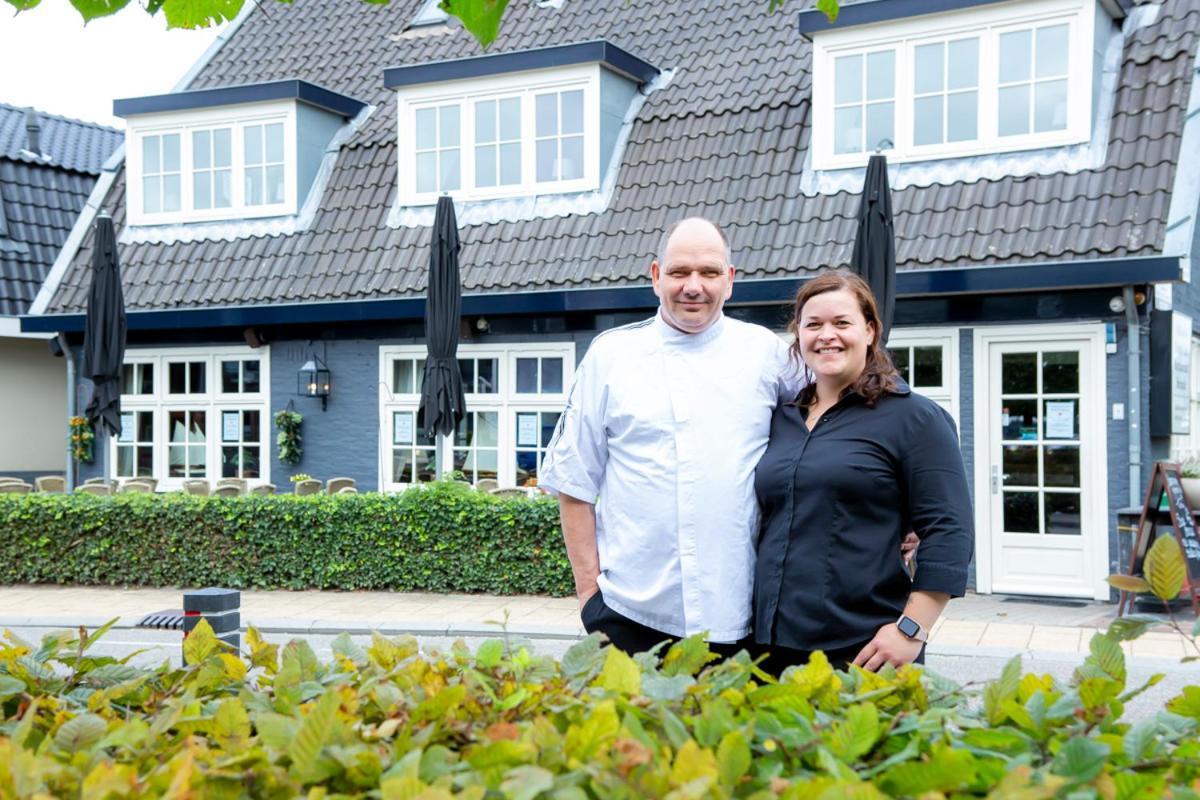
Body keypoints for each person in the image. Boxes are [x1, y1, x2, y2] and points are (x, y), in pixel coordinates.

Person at [539, 217, 800, 655]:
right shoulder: (611, 355)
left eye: (709, 273)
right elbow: (572, 482)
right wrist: (590, 597)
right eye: (679, 272)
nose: (693, 286)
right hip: (631, 613)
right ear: (656, 276)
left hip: (742, 613)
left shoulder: (769, 355)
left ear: (730, 281)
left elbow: (831, 435)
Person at [753, 271, 973, 674]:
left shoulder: (915, 418)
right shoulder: (781, 417)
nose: (826, 335)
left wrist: (911, 629)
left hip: (865, 648)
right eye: (813, 324)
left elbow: (950, 531)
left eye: (842, 323)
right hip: (770, 646)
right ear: (797, 334)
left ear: (870, 330)